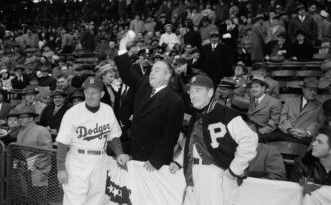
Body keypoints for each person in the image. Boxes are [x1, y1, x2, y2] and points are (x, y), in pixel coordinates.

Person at [170, 74, 258, 205]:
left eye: (197, 90)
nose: (192, 95)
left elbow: (250, 139)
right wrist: (179, 162)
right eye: (191, 91)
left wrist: (235, 170)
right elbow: (193, 143)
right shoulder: (197, 114)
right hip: (193, 172)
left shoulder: (225, 113)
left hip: (215, 174)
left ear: (210, 92)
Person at [115, 32, 184, 171]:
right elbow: (127, 72)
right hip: (136, 152)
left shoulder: (174, 100)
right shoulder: (144, 84)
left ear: (167, 76)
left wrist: (156, 160)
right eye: (152, 70)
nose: (152, 72)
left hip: (154, 161)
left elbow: (171, 135)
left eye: (157, 70)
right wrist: (123, 45)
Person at [56, 76, 129, 205]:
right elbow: (62, 143)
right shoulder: (72, 113)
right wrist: (61, 168)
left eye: (94, 93)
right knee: (74, 201)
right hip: (77, 162)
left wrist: (119, 153)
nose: (90, 96)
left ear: (101, 94)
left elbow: (113, 137)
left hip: (99, 161)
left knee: (96, 200)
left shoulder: (107, 110)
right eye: (87, 93)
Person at [16, 106, 52, 204]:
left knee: (39, 196)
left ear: (31, 118)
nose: (20, 119)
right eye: (20, 117)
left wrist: (32, 163)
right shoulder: (21, 130)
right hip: (23, 167)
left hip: (38, 168)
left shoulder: (41, 130)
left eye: (23, 117)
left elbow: (47, 151)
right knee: (28, 195)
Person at [276, 78, 325, 145]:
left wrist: (306, 132)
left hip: (306, 138)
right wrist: (289, 129)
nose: (313, 92)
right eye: (310, 89)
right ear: (303, 90)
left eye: (315, 90)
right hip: (288, 134)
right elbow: (283, 117)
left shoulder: (320, 105)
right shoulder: (289, 101)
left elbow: (319, 123)